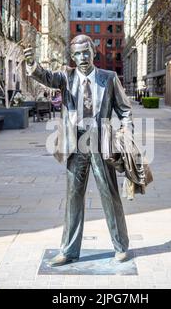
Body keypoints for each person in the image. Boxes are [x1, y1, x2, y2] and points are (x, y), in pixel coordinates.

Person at [24, 35, 133, 266]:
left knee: (109, 195)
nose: (83, 57)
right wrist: (32, 64)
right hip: (76, 144)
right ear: (72, 57)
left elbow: (125, 110)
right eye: (77, 54)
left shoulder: (109, 78)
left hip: (101, 143)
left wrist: (125, 131)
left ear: (94, 52)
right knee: (73, 197)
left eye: (86, 52)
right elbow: (46, 77)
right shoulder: (66, 77)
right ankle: (69, 251)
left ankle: (121, 246)